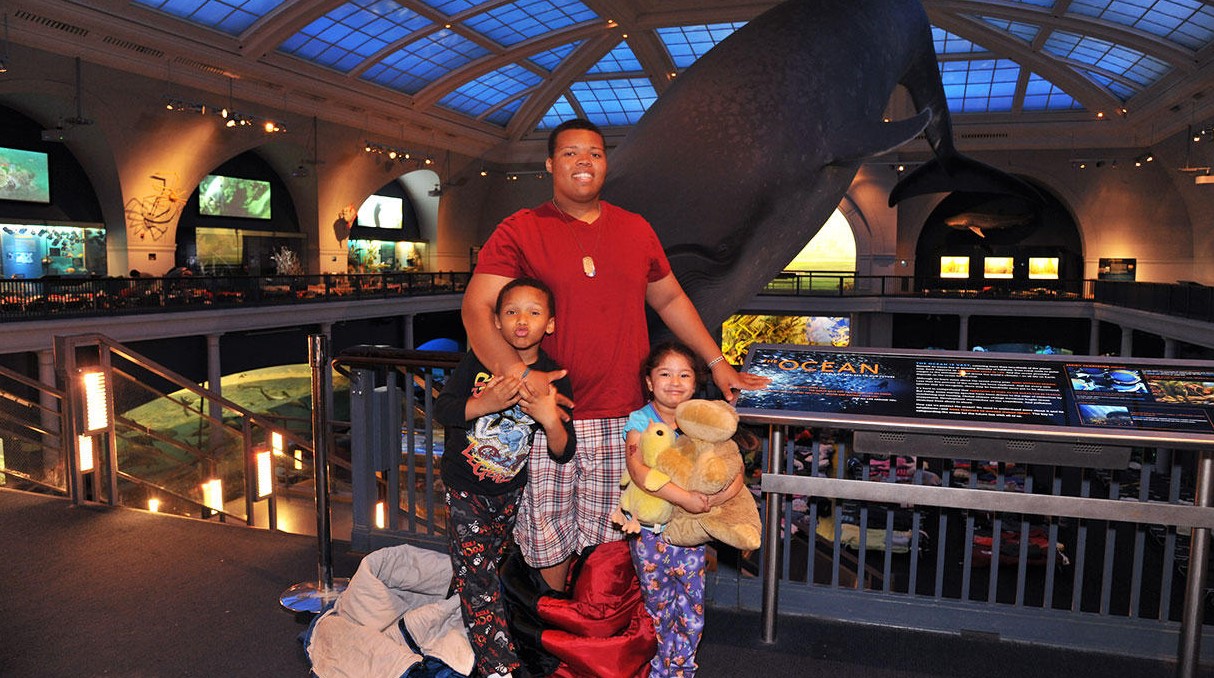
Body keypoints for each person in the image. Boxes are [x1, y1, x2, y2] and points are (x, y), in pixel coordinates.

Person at [462, 117, 769, 591]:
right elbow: (477, 308)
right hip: (549, 414)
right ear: (550, 164)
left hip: (622, 415)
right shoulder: (520, 230)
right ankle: (558, 633)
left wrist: (718, 363)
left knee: (613, 535)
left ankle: (600, 631)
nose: (583, 160)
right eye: (570, 153)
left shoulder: (635, 229)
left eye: (595, 152)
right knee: (547, 539)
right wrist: (518, 375)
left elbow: (670, 300)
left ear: (606, 164)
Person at [435, 277, 576, 678]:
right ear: (495, 321)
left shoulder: (552, 376)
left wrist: (551, 422)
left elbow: (564, 450)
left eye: (533, 312)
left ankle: (458, 630)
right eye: (511, 311)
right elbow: (444, 410)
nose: (521, 320)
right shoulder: (478, 362)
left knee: (485, 570)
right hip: (465, 488)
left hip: (510, 492)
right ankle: (502, 668)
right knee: (479, 580)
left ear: (549, 323)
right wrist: (485, 403)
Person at [622, 342, 744, 677]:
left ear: (695, 382)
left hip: (690, 533)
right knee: (657, 604)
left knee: (691, 606)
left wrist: (715, 500)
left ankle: (682, 669)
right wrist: (683, 497)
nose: (674, 381)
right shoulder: (640, 421)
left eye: (684, 374)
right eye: (665, 374)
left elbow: (735, 469)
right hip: (649, 534)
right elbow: (639, 471)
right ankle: (659, 668)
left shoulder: (703, 422)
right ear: (649, 381)